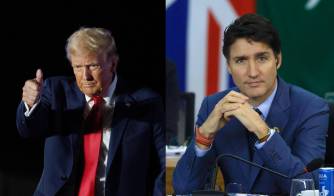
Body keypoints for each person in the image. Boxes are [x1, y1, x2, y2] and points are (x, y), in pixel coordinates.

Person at [173, 13, 329, 195]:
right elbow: (183, 190)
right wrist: (204, 135)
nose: (252, 72)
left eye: (262, 58)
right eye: (241, 61)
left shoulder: (311, 108)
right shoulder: (213, 105)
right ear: (229, 67)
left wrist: (263, 132)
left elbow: (307, 188)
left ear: (278, 60)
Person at [16, 27, 165, 196]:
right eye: (78, 67)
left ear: (113, 64)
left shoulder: (146, 102)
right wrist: (30, 104)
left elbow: (161, 165)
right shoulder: (55, 91)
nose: (85, 76)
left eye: (93, 66)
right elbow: (28, 129)